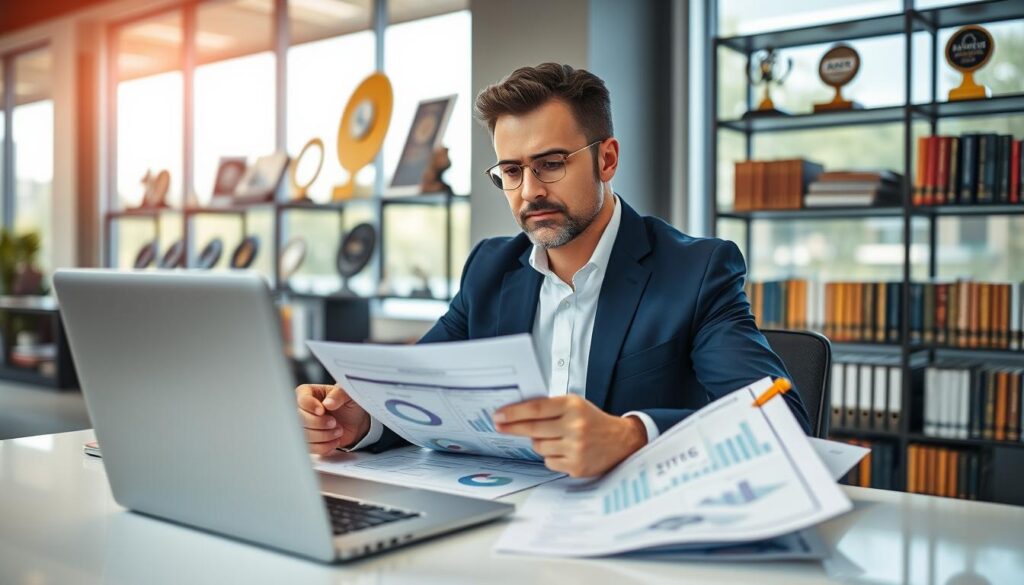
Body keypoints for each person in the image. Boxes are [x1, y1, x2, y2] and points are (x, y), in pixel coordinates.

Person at [296, 63, 809, 478]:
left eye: (552, 163)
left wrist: (631, 434)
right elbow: (419, 394)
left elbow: (781, 418)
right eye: (512, 171)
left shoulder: (696, 270)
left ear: (606, 160)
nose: (530, 192)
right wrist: (359, 420)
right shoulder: (490, 269)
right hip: (500, 521)